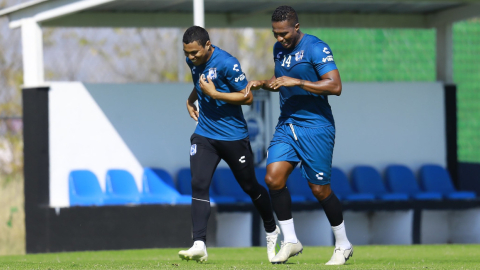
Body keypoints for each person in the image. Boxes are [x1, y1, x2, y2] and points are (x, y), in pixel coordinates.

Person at [245, 6, 353, 265]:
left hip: (316, 127)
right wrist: (265, 83)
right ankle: (291, 240)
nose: (280, 39)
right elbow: (281, 79)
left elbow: (335, 86)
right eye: (275, 34)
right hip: (288, 124)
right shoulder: (278, 49)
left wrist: (299, 82)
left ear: (296, 27)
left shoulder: (315, 47)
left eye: (284, 34)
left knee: (319, 189)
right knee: (272, 178)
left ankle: (343, 244)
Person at [178, 26, 280, 263]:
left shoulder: (227, 63)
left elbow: (247, 97)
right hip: (205, 134)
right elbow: (200, 80)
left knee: (250, 187)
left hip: (233, 137)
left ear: (208, 45)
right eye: (187, 53)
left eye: (195, 53)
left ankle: (271, 227)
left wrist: (215, 95)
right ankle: (199, 243)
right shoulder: (193, 60)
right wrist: (191, 99)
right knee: (199, 183)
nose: (191, 58)